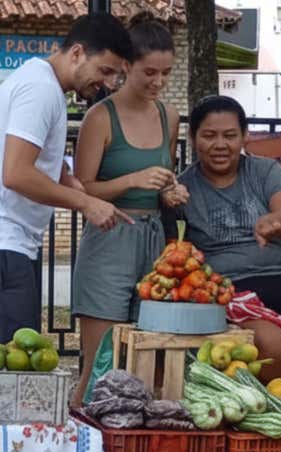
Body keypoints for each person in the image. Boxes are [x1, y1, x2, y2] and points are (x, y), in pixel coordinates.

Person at [0, 13, 133, 344]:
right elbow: (16, 173)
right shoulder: (41, 90)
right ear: (77, 53)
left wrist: (64, 177)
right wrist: (86, 202)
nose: (105, 83)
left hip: (5, 243)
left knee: (16, 357)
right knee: (4, 365)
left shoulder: (44, 83)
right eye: (104, 71)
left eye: (114, 76)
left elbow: (32, 150)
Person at [71, 13, 188, 408]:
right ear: (126, 67)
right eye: (149, 72)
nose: (158, 82)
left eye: (166, 73)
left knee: (146, 357)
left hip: (154, 240)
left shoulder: (167, 116)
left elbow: (162, 177)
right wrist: (132, 180)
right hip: (109, 238)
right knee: (100, 361)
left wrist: (169, 190)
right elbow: (82, 188)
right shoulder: (100, 117)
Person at [164, 95, 281, 380]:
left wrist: (273, 222)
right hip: (234, 294)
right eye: (209, 136)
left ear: (244, 136)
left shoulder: (265, 171)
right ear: (192, 138)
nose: (220, 145)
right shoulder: (182, 189)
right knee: (272, 346)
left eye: (230, 135)